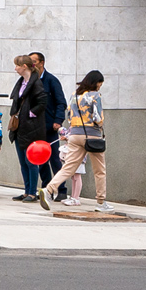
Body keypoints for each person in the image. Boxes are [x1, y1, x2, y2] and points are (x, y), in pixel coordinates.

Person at [41, 70, 113, 213]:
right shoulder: (95, 96)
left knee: (68, 167)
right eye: (100, 83)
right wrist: (99, 125)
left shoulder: (75, 95)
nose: (100, 86)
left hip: (74, 135)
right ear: (96, 82)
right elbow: (98, 117)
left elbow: (69, 115)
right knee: (100, 171)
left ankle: (49, 190)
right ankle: (100, 202)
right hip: (92, 135)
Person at [9, 54, 48, 201]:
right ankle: (26, 190)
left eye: (17, 66)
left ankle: (32, 192)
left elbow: (42, 102)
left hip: (31, 127)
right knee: (22, 161)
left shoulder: (36, 83)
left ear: (24, 66)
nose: (15, 68)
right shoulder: (22, 82)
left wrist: (31, 114)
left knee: (31, 161)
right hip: (20, 126)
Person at [30, 51, 67, 198]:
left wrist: (58, 120)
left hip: (50, 125)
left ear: (41, 63)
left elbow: (61, 102)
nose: (31, 64)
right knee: (41, 160)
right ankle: (46, 189)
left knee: (54, 160)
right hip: (35, 127)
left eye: (33, 61)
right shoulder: (31, 81)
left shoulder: (51, 80)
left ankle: (62, 190)